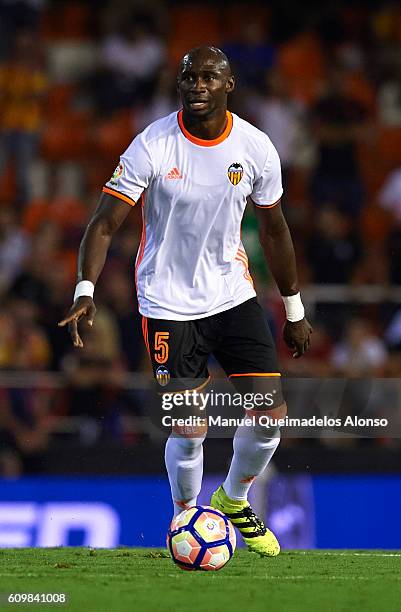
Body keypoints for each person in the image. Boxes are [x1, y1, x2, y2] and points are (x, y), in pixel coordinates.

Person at [59, 46, 312, 557]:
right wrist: (85, 289)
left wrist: (294, 308)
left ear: (229, 84)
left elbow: (276, 229)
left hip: (233, 295)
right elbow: (103, 223)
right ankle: (185, 518)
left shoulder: (256, 146)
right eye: (188, 77)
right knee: (189, 429)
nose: (197, 85)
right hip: (167, 304)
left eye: (208, 77)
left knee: (270, 420)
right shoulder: (152, 145)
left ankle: (235, 497)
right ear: (179, 84)